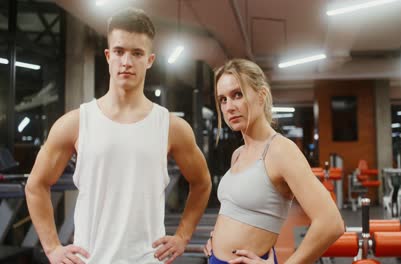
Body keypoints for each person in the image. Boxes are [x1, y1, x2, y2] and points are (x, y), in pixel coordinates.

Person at [25, 8, 212, 264]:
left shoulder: (171, 126)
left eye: (137, 53)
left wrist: (182, 236)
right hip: (90, 260)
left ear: (150, 60)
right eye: (119, 51)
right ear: (108, 55)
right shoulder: (75, 123)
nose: (126, 62)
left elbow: (202, 182)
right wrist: (52, 248)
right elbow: (35, 185)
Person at [204, 59, 344, 264]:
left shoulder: (280, 150)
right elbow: (236, 211)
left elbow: (331, 223)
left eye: (237, 95)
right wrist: (216, 237)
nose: (229, 107)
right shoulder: (238, 154)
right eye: (223, 99)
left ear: (261, 96)